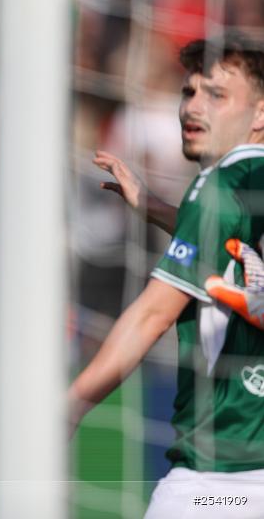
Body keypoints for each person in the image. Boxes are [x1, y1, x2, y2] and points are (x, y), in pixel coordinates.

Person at [71, 32, 264, 518]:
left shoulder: (219, 185)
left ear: (260, 114)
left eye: (216, 95)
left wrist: (70, 406)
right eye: (188, 92)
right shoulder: (247, 187)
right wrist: (154, 208)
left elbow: (152, 315)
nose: (192, 107)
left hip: (220, 479)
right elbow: (226, 241)